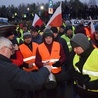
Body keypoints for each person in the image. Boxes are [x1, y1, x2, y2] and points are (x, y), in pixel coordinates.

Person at [56, 33, 98, 98]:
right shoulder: (76, 56)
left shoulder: (96, 55)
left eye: (76, 47)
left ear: (83, 45)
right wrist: (55, 78)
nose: (74, 50)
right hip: (79, 93)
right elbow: (70, 73)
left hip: (94, 94)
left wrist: (88, 85)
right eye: (73, 48)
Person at [35, 29, 66, 98]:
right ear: (44, 38)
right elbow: (37, 61)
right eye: (46, 38)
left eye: (50, 37)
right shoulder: (39, 47)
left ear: (52, 37)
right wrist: (42, 65)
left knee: (57, 91)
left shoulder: (58, 45)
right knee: (47, 92)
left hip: (57, 72)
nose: (48, 39)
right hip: (45, 73)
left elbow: (63, 56)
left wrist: (59, 62)